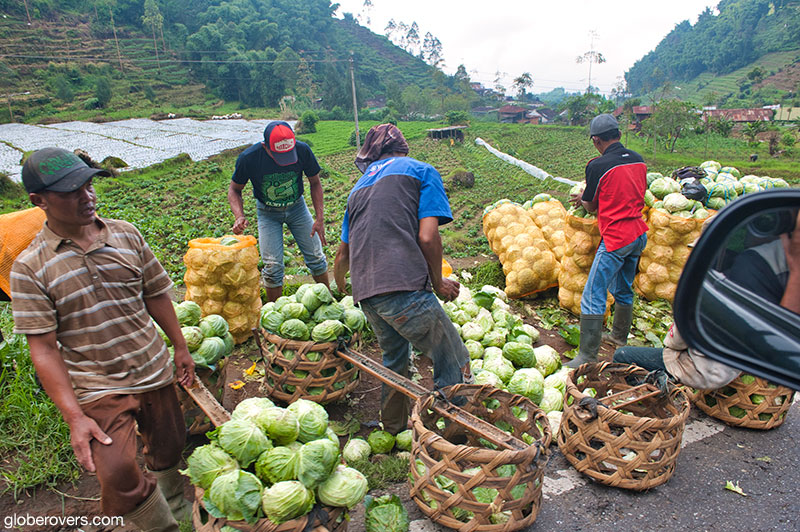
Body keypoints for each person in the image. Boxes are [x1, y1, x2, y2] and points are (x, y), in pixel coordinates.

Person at [10, 148, 195, 532]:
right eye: (70, 191)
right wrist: (74, 417)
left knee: (169, 447)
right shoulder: (30, 268)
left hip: (151, 366)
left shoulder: (126, 234)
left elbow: (156, 293)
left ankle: (174, 503)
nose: (87, 196)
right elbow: (42, 347)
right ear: (38, 201)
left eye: (88, 185)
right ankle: (162, 527)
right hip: (98, 384)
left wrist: (179, 346)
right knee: (117, 471)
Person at [333, 124, 471, 434]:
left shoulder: (357, 189)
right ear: (402, 149)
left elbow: (342, 256)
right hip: (403, 286)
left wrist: (342, 288)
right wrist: (438, 283)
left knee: (394, 357)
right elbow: (427, 236)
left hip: (367, 293)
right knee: (451, 354)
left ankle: (393, 426)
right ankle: (453, 434)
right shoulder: (421, 171)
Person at [614, 211, 800, 386]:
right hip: (733, 366)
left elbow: (676, 340)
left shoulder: (708, 288)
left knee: (622, 355)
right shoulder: (743, 281)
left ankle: (652, 392)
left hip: (705, 371)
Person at [567, 113, 649, 368]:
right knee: (623, 288)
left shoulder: (597, 165)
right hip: (638, 234)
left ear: (596, 140)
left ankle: (587, 356)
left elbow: (591, 207)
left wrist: (582, 198)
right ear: (619, 135)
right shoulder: (639, 160)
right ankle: (619, 336)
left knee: (593, 292)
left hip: (616, 237)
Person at [228, 120, 329, 301]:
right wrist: (239, 216)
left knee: (316, 258)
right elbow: (235, 189)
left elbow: (315, 182)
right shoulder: (249, 158)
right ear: (265, 146)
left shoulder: (303, 150)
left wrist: (319, 219)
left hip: (297, 208)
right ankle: (276, 310)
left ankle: (328, 299)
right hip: (267, 213)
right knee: (273, 267)